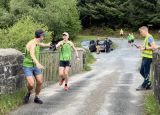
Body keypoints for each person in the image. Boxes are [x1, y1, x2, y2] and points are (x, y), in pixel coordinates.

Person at [23, 29, 51, 104]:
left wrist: (47, 45)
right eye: (43, 35)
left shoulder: (37, 42)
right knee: (31, 84)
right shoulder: (32, 43)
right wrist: (38, 63)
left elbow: (42, 44)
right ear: (40, 36)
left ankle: (36, 97)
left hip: (35, 66)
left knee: (40, 81)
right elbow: (32, 54)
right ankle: (28, 93)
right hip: (28, 66)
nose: (44, 37)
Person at [136, 26, 158, 91]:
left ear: (145, 30)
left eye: (141, 32)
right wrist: (140, 46)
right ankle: (148, 83)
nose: (140, 33)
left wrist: (144, 48)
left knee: (146, 73)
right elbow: (146, 46)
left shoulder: (150, 37)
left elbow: (154, 47)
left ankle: (144, 85)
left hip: (148, 58)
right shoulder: (146, 38)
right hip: (145, 57)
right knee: (141, 71)